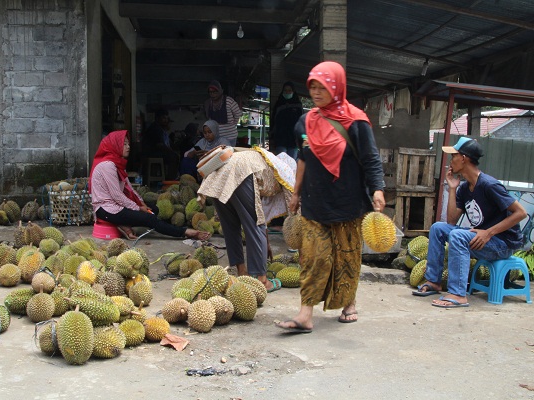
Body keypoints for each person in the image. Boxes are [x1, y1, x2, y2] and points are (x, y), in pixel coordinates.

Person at [276, 61, 385, 333]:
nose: (315, 92)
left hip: (349, 202)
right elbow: (302, 159)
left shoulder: (356, 121)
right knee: (314, 258)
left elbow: (371, 159)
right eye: (312, 86)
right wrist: (296, 193)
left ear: (336, 87)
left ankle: (349, 302)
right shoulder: (305, 121)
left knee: (347, 256)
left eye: (322, 87)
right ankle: (305, 314)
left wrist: (378, 189)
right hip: (315, 202)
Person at [412, 137, 526, 307]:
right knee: (438, 228)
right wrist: (452, 188)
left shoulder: (489, 185)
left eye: (454, 156)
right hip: (482, 239)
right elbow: (451, 220)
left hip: (502, 243)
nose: (451, 161)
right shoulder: (465, 188)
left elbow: (521, 213)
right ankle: (434, 281)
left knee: (458, 236)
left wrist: (488, 232)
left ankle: (458, 294)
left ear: (464, 158)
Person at [197, 147, 296, 292]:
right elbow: (259, 221)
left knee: (231, 226)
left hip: (218, 174)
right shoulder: (282, 174)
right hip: (241, 172)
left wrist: (265, 242)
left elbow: (261, 211)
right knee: (255, 225)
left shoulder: (267, 161)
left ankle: (242, 272)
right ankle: (262, 281)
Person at [90, 130, 211, 241]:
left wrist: (142, 203)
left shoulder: (118, 163)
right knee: (149, 218)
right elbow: (117, 196)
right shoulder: (108, 165)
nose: (128, 147)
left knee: (154, 209)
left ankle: (123, 224)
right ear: (115, 146)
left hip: (116, 206)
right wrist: (138, 208)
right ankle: (186, 232)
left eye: (128, 144)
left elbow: (129, 188)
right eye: (124, 144)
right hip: (105, 209)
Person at [141, 109, 180, 180]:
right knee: (174, 157)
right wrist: (171, 151)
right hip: (152, 153)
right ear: (157, 118)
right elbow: (160, 145)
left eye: (166, 118)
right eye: (163, 118)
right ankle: (170, 180)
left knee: (175, 154)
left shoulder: (161, 129)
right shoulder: (155, 128)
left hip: (157, 152)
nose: (165, 120)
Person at [270, 81, 304, 159]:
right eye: (285, 90)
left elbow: (301, 123)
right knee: (281, 162)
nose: (287, 92)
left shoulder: (298, 106)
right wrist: (272, 135)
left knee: (292, 162)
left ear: (293, 91)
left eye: (289, 90)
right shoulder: (279, 104)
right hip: (280, 138)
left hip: (293, 139)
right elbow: (273, 121)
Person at [204, 80, 242, 147]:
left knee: (228, 155)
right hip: (217, 138)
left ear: (220, 91)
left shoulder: (229, 101)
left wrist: (232, 125)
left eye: (215, 92)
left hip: (230, 137)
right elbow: (209, 120)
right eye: (210, 92)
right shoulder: (208, 104)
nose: (212, 94)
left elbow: (238, 114)